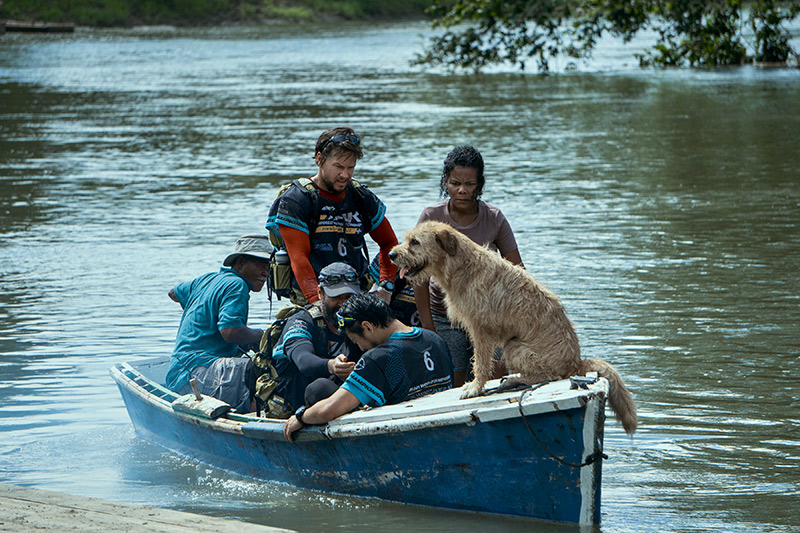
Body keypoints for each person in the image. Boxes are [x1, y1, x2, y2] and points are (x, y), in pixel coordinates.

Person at [414, 145, 524, 387]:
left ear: (479, 185)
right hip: (446, 315)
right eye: (455, 183)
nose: (462, 190)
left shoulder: (494, 218)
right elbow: (418, 277)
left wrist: (516, 322)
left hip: (489, 312)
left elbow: (518, 272)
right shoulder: (431, 217)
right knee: (454, 375)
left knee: (497, 372)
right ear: (446, 182)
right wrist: (428, 327)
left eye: (469, 184)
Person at [283, 293, 452, 442]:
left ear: (367, 327)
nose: (361, 348)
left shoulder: (378, 358)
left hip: (402, 436)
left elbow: (328, 410)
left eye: (357, 341)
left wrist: (301, 417)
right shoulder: (434, 339)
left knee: (319, 389)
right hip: (441, 424)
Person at [266, 126, 399, 305]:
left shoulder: (360, 196)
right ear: (320, 159)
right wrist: (316, 302)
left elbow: (390, 244)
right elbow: (299, 258)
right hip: (316, 294)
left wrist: (385, 287)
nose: (345, 175)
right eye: (338, 167)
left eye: (351, 168)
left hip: (356, 293)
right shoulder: (297, 200)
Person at [165, 235, 271, 413]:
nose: (265, 272)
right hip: (198, 372)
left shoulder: (207, 279)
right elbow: (230, 332)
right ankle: (258, 417)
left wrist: (203, 314)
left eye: (269, 266)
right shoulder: (237, 285)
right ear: (240, 262)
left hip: (178, 370)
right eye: (261, 265)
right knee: (261, 368)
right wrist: (262, 336)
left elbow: (174, 293)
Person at [271, 262, 364, 414]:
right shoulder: (301, 321)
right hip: (298, 403)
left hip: (344, 399)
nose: (343, 304)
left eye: (349, 297)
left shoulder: (361, 321)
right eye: (336, 297)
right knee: (320, 387)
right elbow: (303, 359)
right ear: (320, 293)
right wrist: (331, 366)